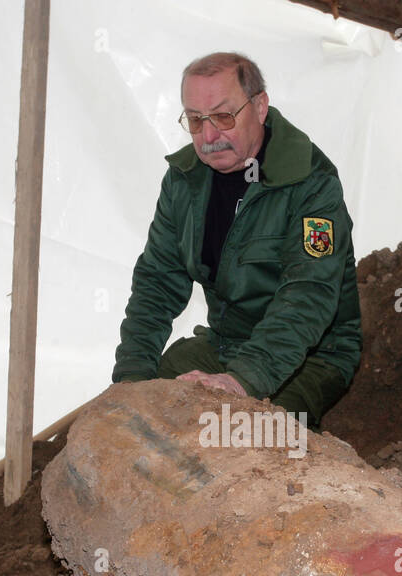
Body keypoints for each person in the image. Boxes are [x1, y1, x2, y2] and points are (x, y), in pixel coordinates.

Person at [111, 52, 361, 428]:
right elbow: (158, 282)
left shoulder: (310, 182)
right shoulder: (184, 180)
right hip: (225, 344)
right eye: (195, 120)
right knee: (138, 415)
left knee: (245, 434)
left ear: (260, 106)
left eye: (224, 117)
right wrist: (131, 377)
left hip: (312, 356)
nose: (209, 136)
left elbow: (307, 296)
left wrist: (241, 381)